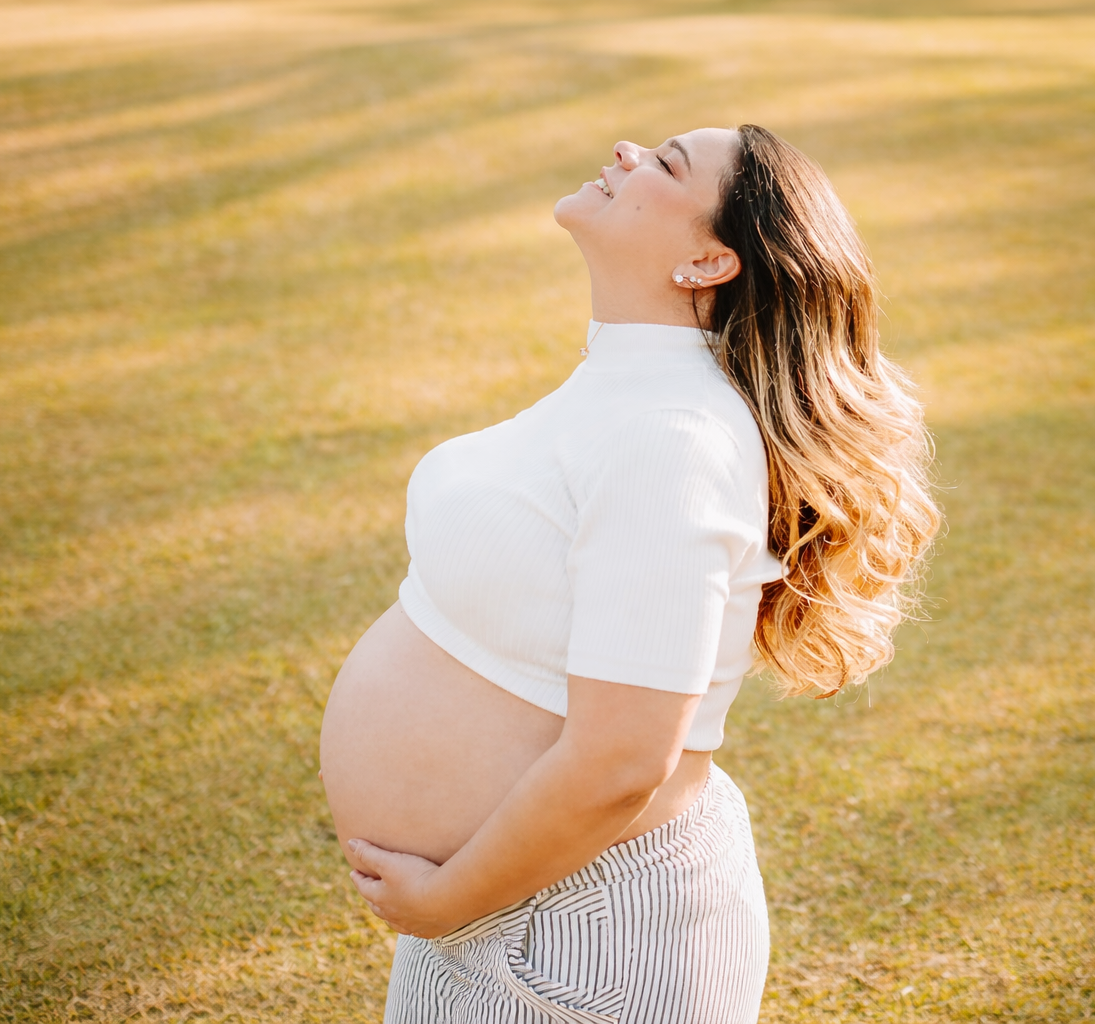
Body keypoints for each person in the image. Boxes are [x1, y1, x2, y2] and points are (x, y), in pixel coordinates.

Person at [319, 124, 939, 1023]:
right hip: (507, 913)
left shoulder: (671, 437)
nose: (625, 151)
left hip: (575, 937)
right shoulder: (627, 390)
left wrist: (451, 900)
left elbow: (624, 757)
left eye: (666, 164)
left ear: (707, 263)